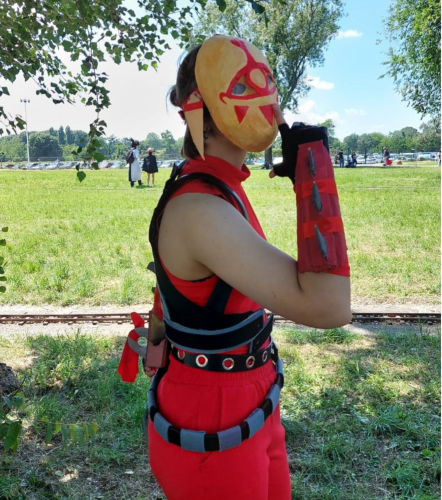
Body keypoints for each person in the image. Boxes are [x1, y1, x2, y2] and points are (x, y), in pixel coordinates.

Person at [118, 35, 351, 500]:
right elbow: (329, 307)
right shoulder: (201, 207)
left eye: (265, 81)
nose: (264, 96)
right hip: (211, 421)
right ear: (198, 107)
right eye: (241, 87)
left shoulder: (219, 186)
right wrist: (314, 174)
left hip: (250, 401)